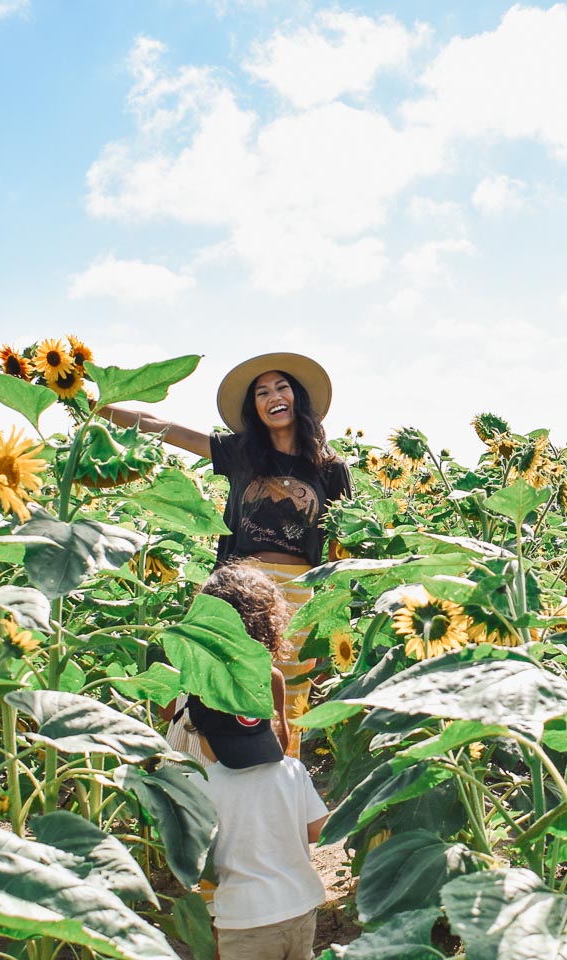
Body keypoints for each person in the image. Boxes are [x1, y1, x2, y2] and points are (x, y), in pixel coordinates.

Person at [103, 352, 352, 756]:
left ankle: (277, 794)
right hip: (243, 591)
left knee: (288, 697)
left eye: (282, 387)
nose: (273, 396)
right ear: (254, 406)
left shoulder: (330, 469)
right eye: (262, 391)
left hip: (301, 591)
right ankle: (211, 788)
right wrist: (96, 404)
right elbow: (161, 427)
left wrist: (336, 617)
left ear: (298, 397)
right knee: (224, 683)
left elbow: (343, 546)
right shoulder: (241, 453)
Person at [186, 693, 329, 960]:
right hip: (300, 905)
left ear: (203, 734)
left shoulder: (199, 784)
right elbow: (318, 829)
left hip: (245, 918)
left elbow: (190, 851)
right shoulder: (292, 770)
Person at [165, 563, 292, 764]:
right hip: (243, 785)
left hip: (184, 782)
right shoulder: (267, 677)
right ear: (266, 624)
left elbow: (165, 713)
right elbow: (281, 743)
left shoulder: (187, 669)